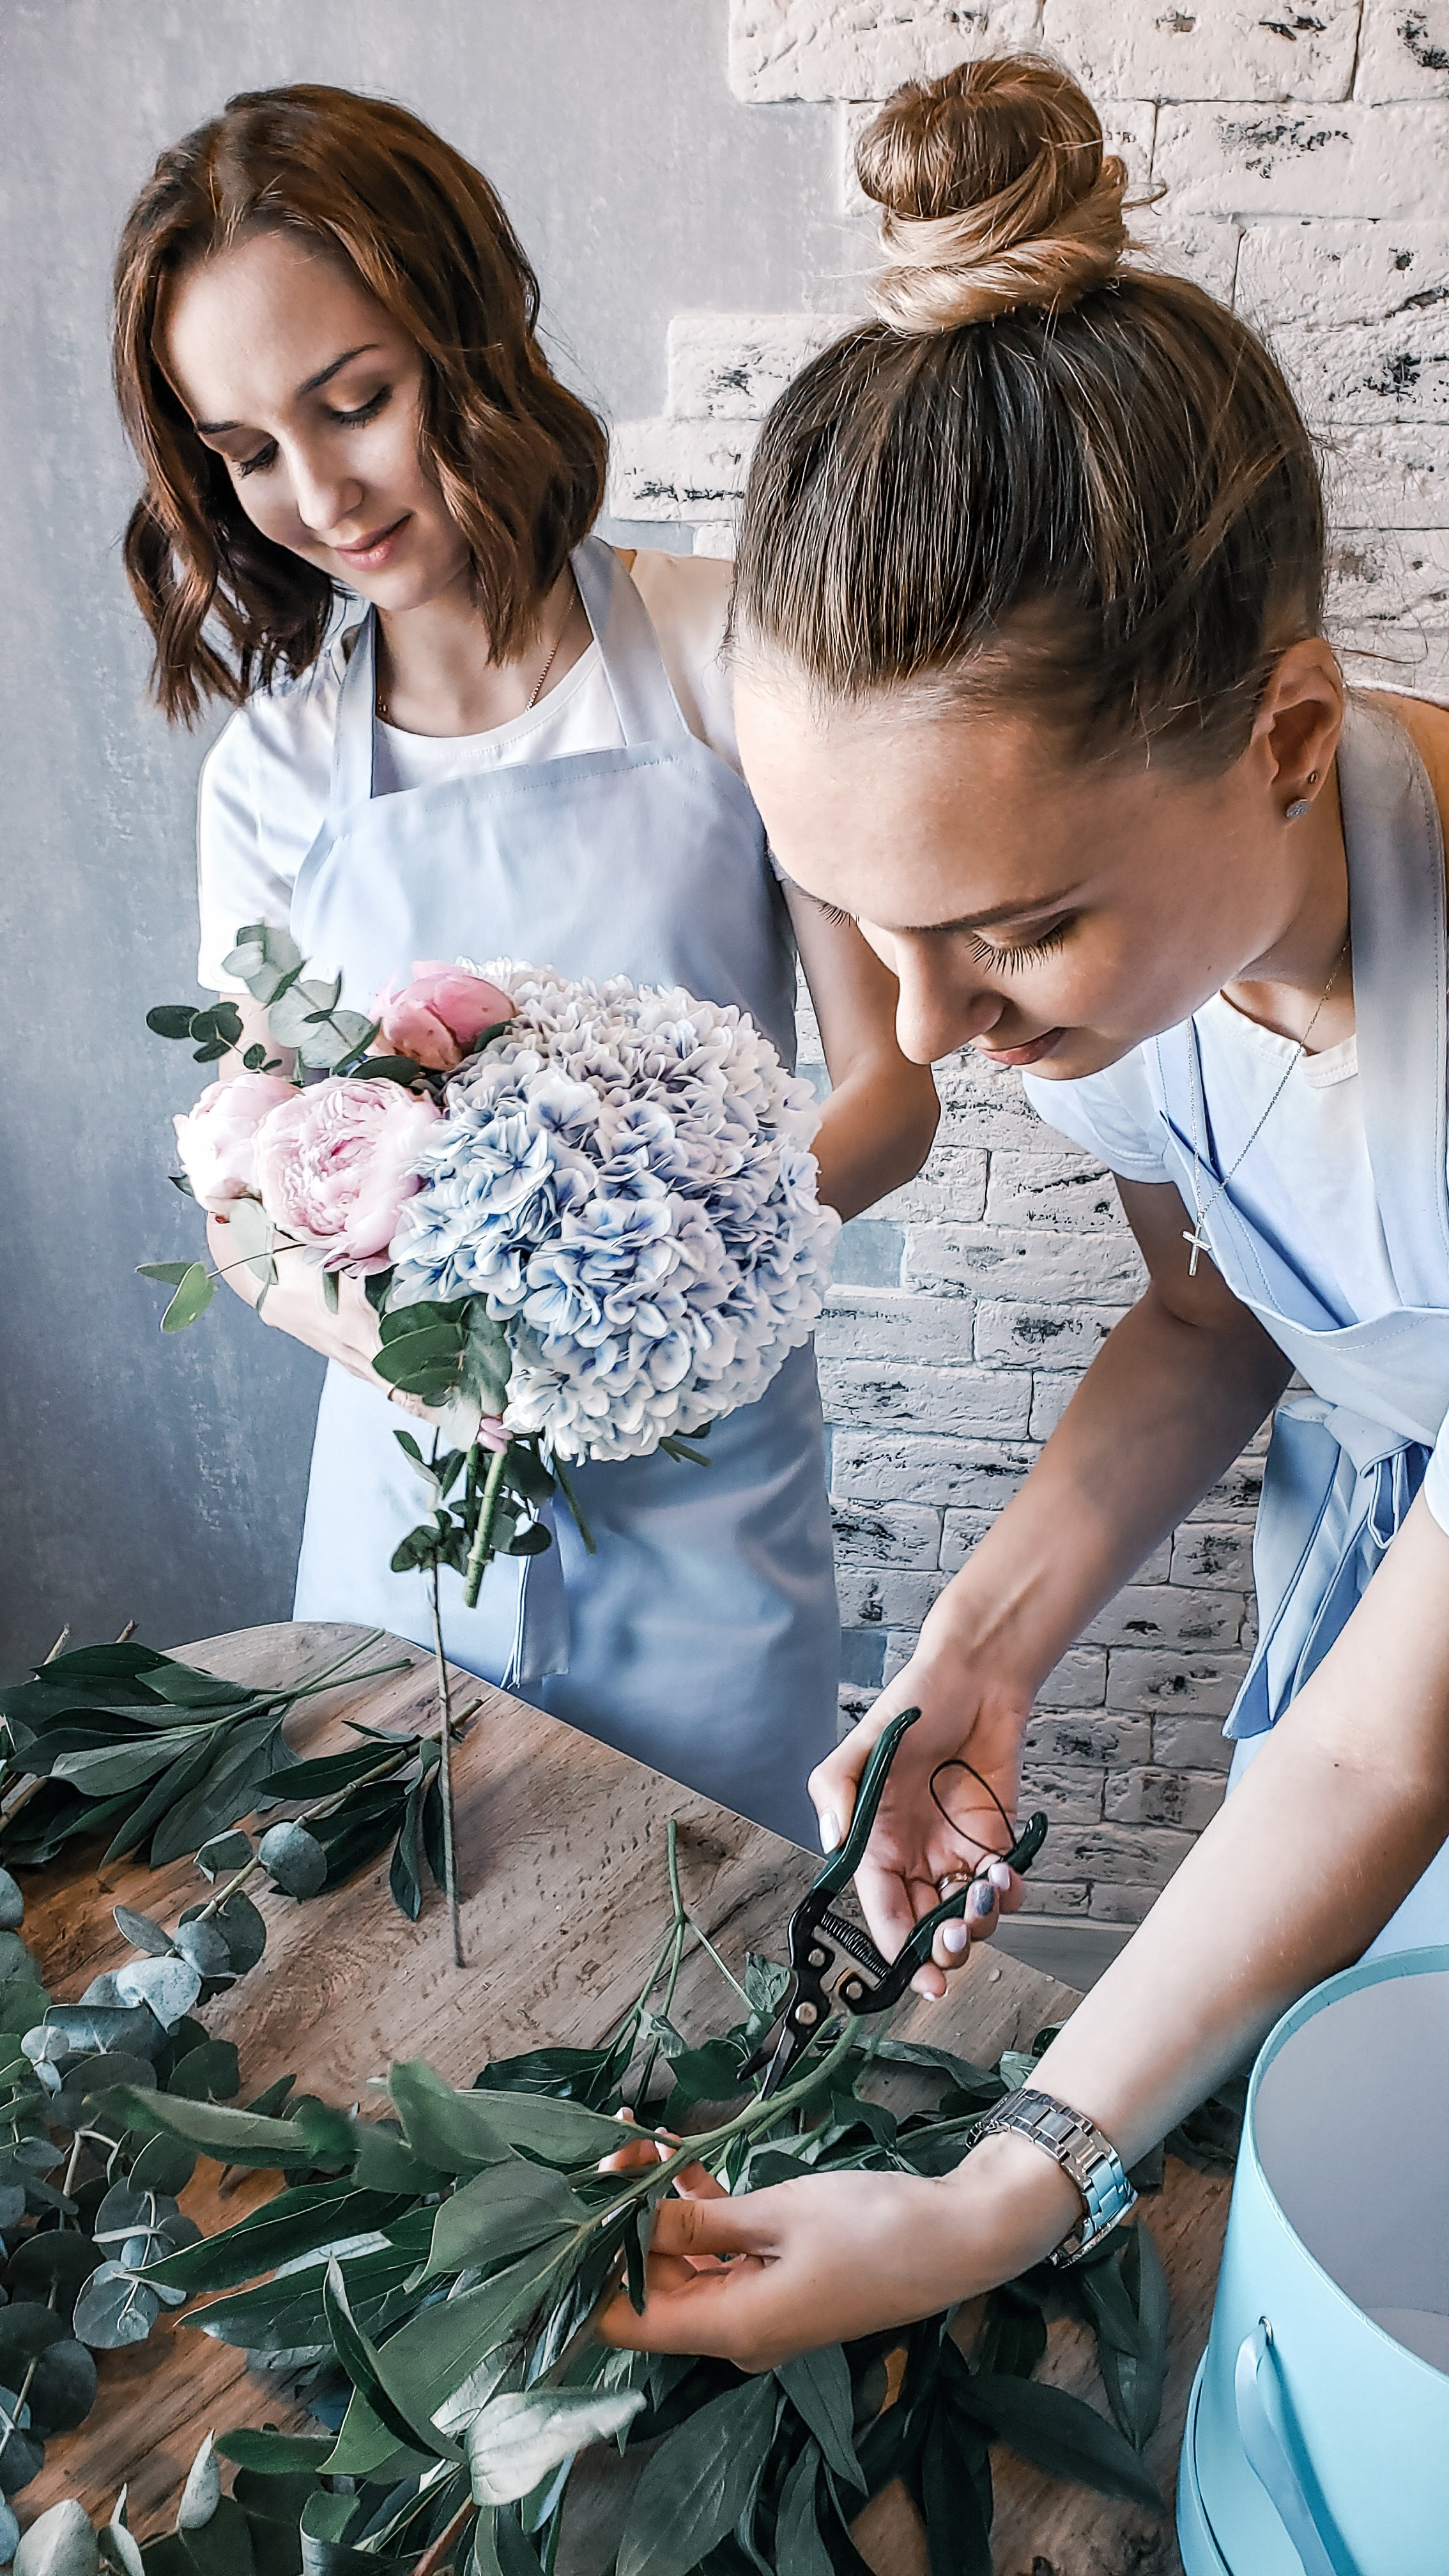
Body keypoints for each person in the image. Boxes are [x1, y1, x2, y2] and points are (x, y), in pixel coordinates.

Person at [601, 52, 1449, 2366]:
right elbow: (1211, 1322)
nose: (936, 1026)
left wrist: (1003, 2190)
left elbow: (1389, 1753)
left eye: (1005, 929)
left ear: (1283, 737)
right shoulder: (1131, 962)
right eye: (870, 928)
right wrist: (976, 1653)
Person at [112, 84, 939, 1847]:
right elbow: (252, 1200)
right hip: (416, 1492)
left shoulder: (726, 651)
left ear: (469, 339)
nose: (319, 494)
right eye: (250, 450)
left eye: (356, 402)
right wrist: (445, 1359)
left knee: (708, 1962)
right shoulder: (270, 778)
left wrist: (656, 1290)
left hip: (713, 1482)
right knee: (424, 1955)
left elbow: (890, 1088)